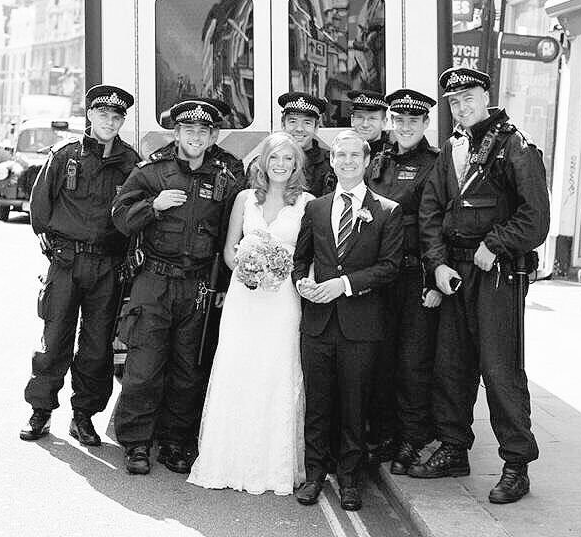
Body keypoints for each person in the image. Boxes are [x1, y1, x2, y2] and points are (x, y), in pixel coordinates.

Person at [412, 67, 550, 504]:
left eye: (468, 97)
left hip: (497, 271)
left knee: (499, 368)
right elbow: (431, 212)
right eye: (454, 102)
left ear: (486, 95)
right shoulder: (452, 148)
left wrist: (496, 243)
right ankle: (454, 448)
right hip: (455, 269)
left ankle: (516, 464)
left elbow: (536, 219)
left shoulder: (516, 146)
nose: (462, 106)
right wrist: (435, 265)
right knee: (451, 366)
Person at [111, 99, 238, 476]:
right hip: (154, 280)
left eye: (203, 131)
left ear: (212, 136)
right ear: (177, 134)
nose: (195, 137)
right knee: (145, 364)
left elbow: (234, 233)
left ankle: (175, 441)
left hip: (198, 284)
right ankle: (136, 443)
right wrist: (154, 205)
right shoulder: (152, 172)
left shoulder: (225, 178)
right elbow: (119, 217)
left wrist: (226, 288)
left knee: (188, 367)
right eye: (188, 131)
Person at [188, 132, 311, 495]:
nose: (281, 166)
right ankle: (228, 461)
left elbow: (308, 255)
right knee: (238, 368)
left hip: (283, 299)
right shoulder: (245, 199)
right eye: (275, 158)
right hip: (245, 296)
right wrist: (245, 269)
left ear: (297, 165)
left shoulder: (307, 203)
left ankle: (274, 467)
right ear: (263, 162)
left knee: (277, 370)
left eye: (288, 160)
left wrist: (280, 271)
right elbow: (228, 251)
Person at [20, 85, 139, 445]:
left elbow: (134, 215)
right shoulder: (64, 154)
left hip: (107, 266)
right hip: (66, 262)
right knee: (54, 339)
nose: (110, 121)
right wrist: (52, 247)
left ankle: (83, 416)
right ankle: (40, 411)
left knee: (97, 346)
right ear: (90, 115)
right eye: (103, 114)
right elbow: (39, 207)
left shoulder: (131, 163)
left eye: (117, 116)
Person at [293, 130, 404, 511]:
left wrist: (343, 285)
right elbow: (299, 260)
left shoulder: (387, 210)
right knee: (318, 403)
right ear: (333, 160)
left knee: (355, 405)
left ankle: (350, 479)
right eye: (340, 155)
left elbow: (389, 268)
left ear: (368, 160)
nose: (346, 162)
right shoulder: (316, 208)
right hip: (318, 324)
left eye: (355, 155)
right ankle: (313, 475)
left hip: (361, 325)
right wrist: (302, 283)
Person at [366, 89, 441, 472]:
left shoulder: (435, 163)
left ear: (426, 123)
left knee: (413, 361)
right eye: (400, 120)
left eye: (414, 120)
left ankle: (413, 439)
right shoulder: (379, 159)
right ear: (391, 124)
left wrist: (432, 280)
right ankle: (387, 435)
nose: (406, 127)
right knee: (382, 359)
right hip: (381, 275)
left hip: (415, 274)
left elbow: (436, 226)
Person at [278, 92, 335, 197]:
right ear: (283, 124)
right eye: (293, 121)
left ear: (316, 127)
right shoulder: (270, 161)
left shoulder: (331, 164)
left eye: (307, 122)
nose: (299, 129)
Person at [347, 89, 392, 160]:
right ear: (352, 120)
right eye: (360, 117)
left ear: (384, 122)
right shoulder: (342, 153)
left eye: (372, 118)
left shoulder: (392, 157)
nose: (365, 124)